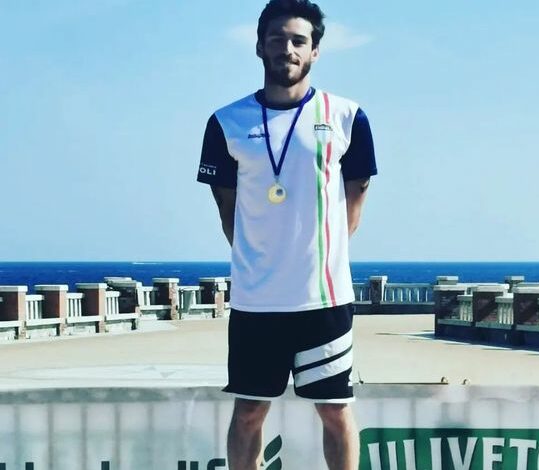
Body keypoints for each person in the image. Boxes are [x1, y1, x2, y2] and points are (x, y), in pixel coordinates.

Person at [197, 1, 377, 468]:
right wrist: (263, 261)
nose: (288, 49)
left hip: (324, 299)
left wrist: (321, 255)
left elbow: (355, 198)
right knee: (248, 413)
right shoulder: (226, 122)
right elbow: (227, 208)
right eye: (277, 39)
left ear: (315, 51)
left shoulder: (347, 116)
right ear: (260, 46)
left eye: (299, 40)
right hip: (257, 302)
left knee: (335, 411)